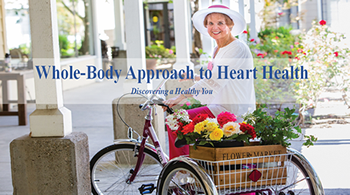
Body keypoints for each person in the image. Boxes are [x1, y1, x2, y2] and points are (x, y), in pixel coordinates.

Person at [164, 4, 256, 160]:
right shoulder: (218, 49)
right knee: (182, 124)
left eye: (220, 23)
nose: (215, 27)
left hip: (231, 109)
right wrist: (193, 76)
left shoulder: (237, 48)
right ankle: (190, 167)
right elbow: (216, 77)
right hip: (219, 106)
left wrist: (180, 98)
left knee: (175, 121)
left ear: (230, 25)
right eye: (210, 23)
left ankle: (182, 170)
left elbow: (214, 80)